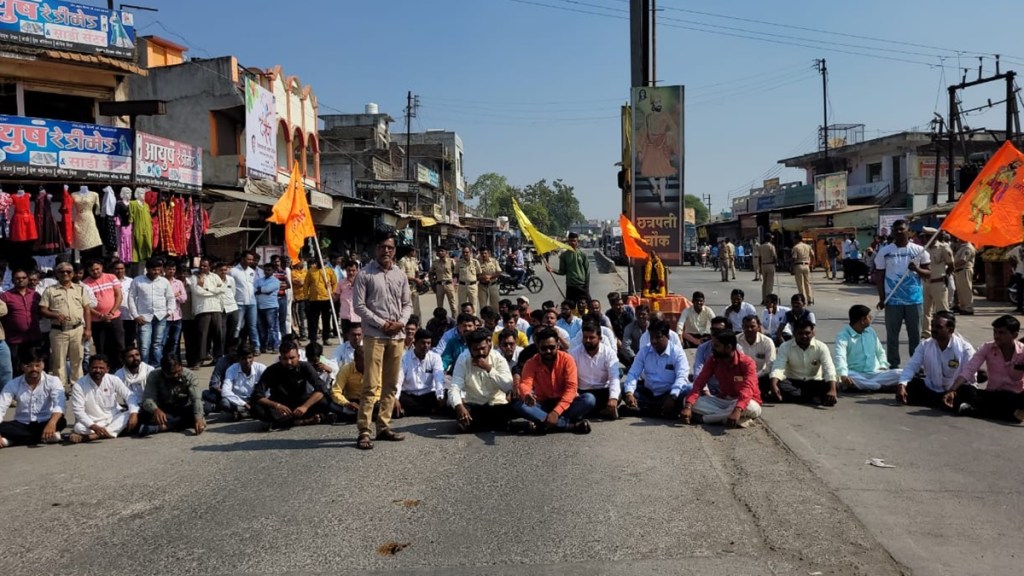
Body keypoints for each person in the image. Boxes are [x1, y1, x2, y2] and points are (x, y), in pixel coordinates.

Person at [353, 229, 413, 450]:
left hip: (397, 336)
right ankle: (364, 431)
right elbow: (359, 306)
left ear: (394, 251)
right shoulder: (365, 275)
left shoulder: (400, 275)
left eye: (390, 247)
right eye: (382, 247)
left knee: (390, 384)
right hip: (375, 336)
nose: (386, 251)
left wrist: (400, 323)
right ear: (375, 249)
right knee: (371, 384)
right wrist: (382, 323)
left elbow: (408, 304)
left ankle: (384, 426)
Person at [944, 315, 1024, 422]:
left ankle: (973, 411)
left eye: (1001, 333)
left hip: (1014, 396)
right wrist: (952, 389)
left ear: (1014, 335)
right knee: (964, 390)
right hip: (992, 395)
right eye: (995, 332)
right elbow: (969, 370)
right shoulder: (987, 347)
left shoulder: (1022, 351)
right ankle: (1006, 414)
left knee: (1013, 400)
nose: (996, 336)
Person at [515, 327, 594, 434]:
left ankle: (543, 424)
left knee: (589, 399)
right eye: (544, 348)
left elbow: (571, 389)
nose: (548, 351)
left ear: (558, 345)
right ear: (538, 346)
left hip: (565, 404)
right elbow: (525, 384)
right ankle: (569, 426)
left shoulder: (567, 360)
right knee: (519, 404)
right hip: (542, 404)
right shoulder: (531, 363)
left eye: (551, 347)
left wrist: (556, 412)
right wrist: (527, 394)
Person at [875, 219, 930, 368]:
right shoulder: (885, 251)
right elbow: (879, 276)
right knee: (892, 336)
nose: (899, 232)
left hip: (914, 300)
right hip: (893, 301)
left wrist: (917, 269)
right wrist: (882, 298)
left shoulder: (919, 251)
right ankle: (893, 365)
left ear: (909, 231)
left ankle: (916, 366)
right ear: (892, 232)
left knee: (915, 336)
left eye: (902, 229)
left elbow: (928, 273)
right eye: (896, 230)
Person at [681, 330, 762, 427]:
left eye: (716, 346)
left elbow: (748, 389)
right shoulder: (713, 360)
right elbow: (699, 383)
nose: (713, 349)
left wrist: (737, 409)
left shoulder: (747, 363)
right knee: (687, 400)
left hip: (745, 401)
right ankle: (730, 419)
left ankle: (705, 419)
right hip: (723, 400)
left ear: (729, 347)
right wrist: (688, 407)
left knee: (750, 407)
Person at [895, 311, 976, 408]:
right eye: (933, 326)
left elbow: (969, 376)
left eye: (938, 327)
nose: (933, 329)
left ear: (950, 329)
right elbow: (912, 366)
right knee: (910, 386)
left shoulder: (965, 348)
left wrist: (953, 390)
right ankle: (945, 404)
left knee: (969, 393)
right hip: (932, 388)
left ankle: (942, 402)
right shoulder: (925, 345)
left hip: (955, 389)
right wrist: (902, 384)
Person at [250, 339, 330, 429]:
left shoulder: (305, 367)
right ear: (280, 358)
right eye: (285, 359)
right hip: (280, 407)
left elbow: (321, 389)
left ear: (298, 357)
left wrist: (304, 407)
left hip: (301, 405)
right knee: (256, 409)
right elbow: (257, 395)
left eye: (292, 358)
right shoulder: (271, 370)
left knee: (325, 401)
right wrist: (277, 406)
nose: (289, 362)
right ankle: (302, 421)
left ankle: (283, 423)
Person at [621, 319, 691, 418]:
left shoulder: (677, 352)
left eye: (658, 337)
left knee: (689, 388)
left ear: (667, 336)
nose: (654, 341)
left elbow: (682, 376)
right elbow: (633, 373)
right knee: (624, 387)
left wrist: (673, 396)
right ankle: (660, 411)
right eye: (651, 337)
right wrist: (629, 394)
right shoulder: (645, 350)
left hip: (669, 394)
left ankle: (644, 411)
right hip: (649, 393)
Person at [39, 261, 91, 393]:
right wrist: (54, 314)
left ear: (73, 274)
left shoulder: (80, 289)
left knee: (77, 359)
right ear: (57, 274)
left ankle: (77, 387)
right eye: (62, 272)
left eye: (68, 271)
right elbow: (43, 310)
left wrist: (88, 329)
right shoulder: (50, 290)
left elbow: (87, 310)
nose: (65, 274)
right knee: (58, 361)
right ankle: (60, 388)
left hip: (77, 329)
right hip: (58, 331)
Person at [450, 328, 514, 433]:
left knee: (514, 405)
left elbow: (508, 386)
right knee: (457, 408)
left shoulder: (498, 358)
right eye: (475, 349)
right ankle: (499, 425)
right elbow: (455, 387)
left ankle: (487, 425)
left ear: (489, 344)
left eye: (483, 348)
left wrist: (489, 368)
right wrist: (459, 406)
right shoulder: (463, 359)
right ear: (469, 348)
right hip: (475, 405)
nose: (480, 352)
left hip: (497, 405)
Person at [0, 347, 65, 447]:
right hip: (22, 424)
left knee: (60, 421)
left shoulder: (53, 381)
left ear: (43, 365)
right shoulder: (13, 384)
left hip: (45, 422)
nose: (34, 369)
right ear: (22, 367)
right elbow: (1, 406)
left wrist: (51, 423)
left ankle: (12, 440)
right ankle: (45, 437)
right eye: (29, 366)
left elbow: (59, 404)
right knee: (2, 427)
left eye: (37, 365)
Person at [68, 354, 138, 443]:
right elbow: (78, 411)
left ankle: (93, 437)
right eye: (94, 367)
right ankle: (110, 432)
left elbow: (129, 396)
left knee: (130, 414)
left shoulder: (113, 379)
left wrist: (133, 414)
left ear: (107, 369)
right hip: (93, 422)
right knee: (79, 427)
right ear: (88, 368)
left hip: (113, 418)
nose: (98, 370)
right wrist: (93, 426)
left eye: (101, 368)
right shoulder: (79, 385)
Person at [769, 319, 838, 406]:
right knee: (776, 383)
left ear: (813, 333)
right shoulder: (785, 346)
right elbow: (778, 367)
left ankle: (798, 398)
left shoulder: (821, 347)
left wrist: (832, 390)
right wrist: (773, 385)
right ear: (794, 333)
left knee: (834, 385)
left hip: (814, 382)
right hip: (793, 382)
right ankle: (813, 398)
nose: (804, 336)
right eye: (800, 333)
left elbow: (829, 368)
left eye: (807, 333)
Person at [833, 305, 902, 392]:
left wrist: (883, 366)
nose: (871, 318)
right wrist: (843, 375)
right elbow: (840, 357)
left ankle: (865, 385)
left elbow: (880, 351)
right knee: (848, 375)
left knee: (901, 373)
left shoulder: (870, 331)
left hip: (875, 373)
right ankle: (880, 387)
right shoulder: (843, 336)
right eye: (869, 317)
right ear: (862, 320)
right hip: (856, 373)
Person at [138, 356, 206, 436]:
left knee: (202, 408)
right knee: (144, 415)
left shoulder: (190, 376)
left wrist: (198, 418)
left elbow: (196, 399)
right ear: (164, 371)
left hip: (183, 408)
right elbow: (147, 399)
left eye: (179, 371)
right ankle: (180, 423)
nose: (176, 375)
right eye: (173, 373)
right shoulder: (154, 375)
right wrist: (155, 410)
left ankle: (162, 427)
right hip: (164, 410)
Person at [128, 257, 175, 367]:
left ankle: (156, 367)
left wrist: (169, 311)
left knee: (157, 344)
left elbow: (170, 297)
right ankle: (143, 367)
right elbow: (131, 298)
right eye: (154, 269)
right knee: (144, 345)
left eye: (159, 269)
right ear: (147, 269)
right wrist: (135, 315)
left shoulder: (164, 281)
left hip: (161, 316)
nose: (156, 272)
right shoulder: (138, 280)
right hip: (144, 318)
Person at [569, 322, 621, 420]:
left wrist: (613, 398)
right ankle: (598, 412)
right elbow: (571, 379)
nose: (587, 340)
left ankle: (590, 412)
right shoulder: (574, 353)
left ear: (600, 339)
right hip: (583, 392)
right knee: (589, 400)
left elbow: (614, 377)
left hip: (602, 391)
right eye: (585, 337)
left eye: (591, 337)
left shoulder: (609, 353)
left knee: (618, 393)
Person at [82, 260, 123, 370]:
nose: (95, 272)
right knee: (101, 347)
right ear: (88, 271)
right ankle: (104, 369)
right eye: (92, 270)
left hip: (115, 317)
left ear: (101, 267)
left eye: (97, 269)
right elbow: (86, 305)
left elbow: (119, 296)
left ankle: (120, 369)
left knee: (119, 344)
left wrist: (111, 312)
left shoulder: (111, 277)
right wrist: (101, 316)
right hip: (97, 321)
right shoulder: (85, 284)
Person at [395, 329, 445, 417]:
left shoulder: (435, 357)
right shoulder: (404, 357)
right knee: (390, 401)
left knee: (447, 395)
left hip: (428, 395)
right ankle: (430, 410)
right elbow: (398, 380)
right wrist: (395, 398)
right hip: (409, 396)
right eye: (423, 343)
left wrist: (440, 396)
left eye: (428, 343)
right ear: (414, 343)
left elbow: (439, 377)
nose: (426, 346)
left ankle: (408, 412)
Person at [0, 268, 38, 377]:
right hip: (14, 340)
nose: (20, 280)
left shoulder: (35, 295)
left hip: (33, 338)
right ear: (12, 280)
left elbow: (40, 313)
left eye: (23, 278)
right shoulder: (5, 296)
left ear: (28, 279)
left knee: (33, 366)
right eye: (17, 278)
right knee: (16, 368)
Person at [190, 258, 226, 365]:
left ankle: (218, 358)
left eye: (205, 266)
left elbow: (223, 288)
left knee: (218, 334)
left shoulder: (215, 276)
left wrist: (207, 289)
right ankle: (200, 359)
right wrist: (214, 291)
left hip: (216, 308)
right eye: (201, 265)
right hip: (202, 309)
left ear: (210, 267)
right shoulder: (194, 277)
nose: (202, 267)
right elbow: (197, 291)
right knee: (202, 335)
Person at [219, 345, 266, 419]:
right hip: (239, 401)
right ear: (238, 359)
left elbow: (269, 388)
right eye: (243, 358)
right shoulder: (231, 370)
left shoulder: (261, 368)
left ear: (253, 357)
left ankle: (246, 414)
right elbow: (225, 391)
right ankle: (250, 413)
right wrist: (244, 404)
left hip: (257, 400)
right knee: (224, 403)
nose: (247, 361)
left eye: (250, 357)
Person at [922, 229, 954, 338]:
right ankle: (926, 334)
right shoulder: (924, 249)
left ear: (933, 237)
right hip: (926, 283)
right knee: (926, 310)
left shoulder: (943, 248)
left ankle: (947, 332)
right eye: (924, 236)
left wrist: (946, 276)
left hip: (938, 283)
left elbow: (951, 265)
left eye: (927, 236)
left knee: (942, 310)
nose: (925, 239)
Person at [737, 315, 776, 398]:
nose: (749, 329)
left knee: (769, 379)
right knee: (733, 379)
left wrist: (754, 376)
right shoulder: (735, 340)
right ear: (742, 327)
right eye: (746, 327)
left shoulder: (767, 342)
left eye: (752, 326)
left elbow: (770, 365)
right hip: (741, 377)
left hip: (760, 377)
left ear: (758, 327)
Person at [546, 232, 591, 302]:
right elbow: (562, 271)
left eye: (574, 241)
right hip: (570, 285)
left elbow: (587, 271)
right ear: (568, 242)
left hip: (581, 285)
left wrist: (587, 287)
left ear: (577, 242)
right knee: (570, 306)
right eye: (571, 241)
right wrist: (552, 270)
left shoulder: (583, 254)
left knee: (586, 305)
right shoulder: (563, 256)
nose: (572, 243)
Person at [230, 251, 260, 351]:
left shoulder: (252, 271)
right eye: (249, 259)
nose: (251, 261)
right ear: (242, 259)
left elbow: (254, 286)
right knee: (237, 326)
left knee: (253, 326)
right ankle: (234, 347)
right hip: (239, 302)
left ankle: (256, 347)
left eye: (252, 259)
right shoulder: (233, 271)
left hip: (252, 303)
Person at [304, 259, 338, 345]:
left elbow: (334, 283)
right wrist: (306, 296)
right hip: (314, 299)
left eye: (323, 261)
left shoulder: (329, 271)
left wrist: (333, 293)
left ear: (325, 262)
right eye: (319, 261)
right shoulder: (311, 271)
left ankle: (326, 338)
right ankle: (313, 339)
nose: (321, 262)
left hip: (326, 299)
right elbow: (306, 284)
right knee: (313, 321)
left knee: (326, 320)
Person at [328, 346, 366, 422]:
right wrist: (347, 404)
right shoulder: (346, 369)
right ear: (355, 360)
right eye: (364, 360)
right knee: (329, 403)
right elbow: (335, 391)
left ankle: (347, 417)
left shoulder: (375, 368)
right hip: (352, 403)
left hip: (370, 402)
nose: (367, 363)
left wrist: (370, 403)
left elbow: (379, 389)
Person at [162, 261, 188, 362]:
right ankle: (162, 360)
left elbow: (184, 298)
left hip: (177, 316)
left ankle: (172, 361)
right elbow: (161, 298)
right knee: (162, 341)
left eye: (173, 269)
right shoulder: (161, 282)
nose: (171, 271)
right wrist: (175, 295)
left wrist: (172, 296)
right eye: (169, 269)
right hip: (165, 316)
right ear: (164, 269)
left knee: (175, 341)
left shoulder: (179, 283)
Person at [255, 262, 282, 354]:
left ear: (273, 271)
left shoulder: (275, 281)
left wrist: (261, 290)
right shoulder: (259, 280)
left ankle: (275, 346)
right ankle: (264, 346)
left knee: (273, 328)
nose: (266, 271)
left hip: (271, 307)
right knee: (262, 329)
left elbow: (267, 290)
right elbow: (254, 289)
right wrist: (262, 290)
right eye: (265, 270)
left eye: (269, 270)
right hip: (259, 307)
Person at [111, 260, 136, 348]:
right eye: (117, 269)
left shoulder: (131, 281)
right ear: (112, 270)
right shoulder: (109, 282)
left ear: (125, 269)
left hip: (130, 315)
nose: (119, 271)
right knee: (117, 342)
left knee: (130, 340)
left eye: (122, 268)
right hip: (115, 316)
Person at [216, 262, 239, 352]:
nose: (223, 272)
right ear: (217, 270)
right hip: (221, 309)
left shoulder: (231, 279)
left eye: (225, 270)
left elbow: (233, 292)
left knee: (232, 332)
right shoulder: (214, 279)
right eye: (221, 270)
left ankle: (229, 352)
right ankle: (221, 353)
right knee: (222, 333)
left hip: (233, 307)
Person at [334, 259, 360, 336]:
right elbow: (335, 299)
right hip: (345, 317)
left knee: (359, 341)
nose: (351, 273)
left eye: (353, 270)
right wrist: (328, 289)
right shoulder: (341, 283)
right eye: (349, 270)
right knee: (346, 341)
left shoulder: (362, 283)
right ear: (345, 270)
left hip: (358, 316)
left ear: (357, 270)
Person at [952, 239, 977, 315]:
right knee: (961, 290)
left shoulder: (968, 248)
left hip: (964, 270)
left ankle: (968, 308)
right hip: (959, 271)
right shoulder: (963, 247)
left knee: (966, 290)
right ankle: (963, 307)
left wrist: (951, 265)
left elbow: (963, 261)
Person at [430, 246, 457, 316]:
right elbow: (431, 273)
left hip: (449, 285)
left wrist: (454, 283)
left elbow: (456, 273)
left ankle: (455, 322)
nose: (440, 252)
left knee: (453, 306)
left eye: (442, 251)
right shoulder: (435, 262)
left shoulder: (451, 261)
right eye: (438, 251)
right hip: (439, 285)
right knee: (439, 307)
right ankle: (440, 321)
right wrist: (432, 285)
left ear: (446, 252)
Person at [398, 248, 423, 320]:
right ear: (410, 252)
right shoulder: (403, 260)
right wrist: (415, 279)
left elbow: (417, 271)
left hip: (414, 287)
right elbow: (402, 275)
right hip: (407, 286)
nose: (415, 253)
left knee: (417, 307)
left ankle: (418, 325)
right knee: (407, 306)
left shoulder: (414, 260)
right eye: (414, 251)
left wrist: (418, 280)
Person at [790, 234, 814, 304]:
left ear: (797, 239)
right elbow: (813, 255)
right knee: (807, 283)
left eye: (794, 239)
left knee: (800, 284)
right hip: (806, 265)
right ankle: (810, 299)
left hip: (798, 265)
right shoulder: (808, 246)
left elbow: (794, 258)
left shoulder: (795, 247)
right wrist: (811, 264)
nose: (793, 241)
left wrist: (791, 267)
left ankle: (802, 299)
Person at [756, 234, 777, 305]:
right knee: (770, 283)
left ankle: (764, 299)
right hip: (770, 264)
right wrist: (776, 263)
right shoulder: (771, 246)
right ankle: (768, 299)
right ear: (770, 239)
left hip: (763, 265)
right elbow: (774, 256)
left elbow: (759, 258)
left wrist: (760, 267)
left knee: (764, 283)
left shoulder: (761, 246)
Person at [290, 259, 308, 340]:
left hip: (308, 297)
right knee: (300, 316)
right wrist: (306, 282)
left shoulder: (305, 271)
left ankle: (308, 332)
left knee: (308, 316)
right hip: (298, 298)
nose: (303, 263)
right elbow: (300, 283)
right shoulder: (293, 272)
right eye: (302, 262)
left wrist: (305, 282)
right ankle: (302, 333)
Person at [1006, 242, 1024, 315]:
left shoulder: (1017, 248)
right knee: (1020, 290)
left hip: (1019, 271)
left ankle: (1020, 307)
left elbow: (1008, 255)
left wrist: (1014, 260)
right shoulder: (1018, 249)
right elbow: (1008, 255)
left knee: (1020, 290)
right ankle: (1020, 307)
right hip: (1020, 272)